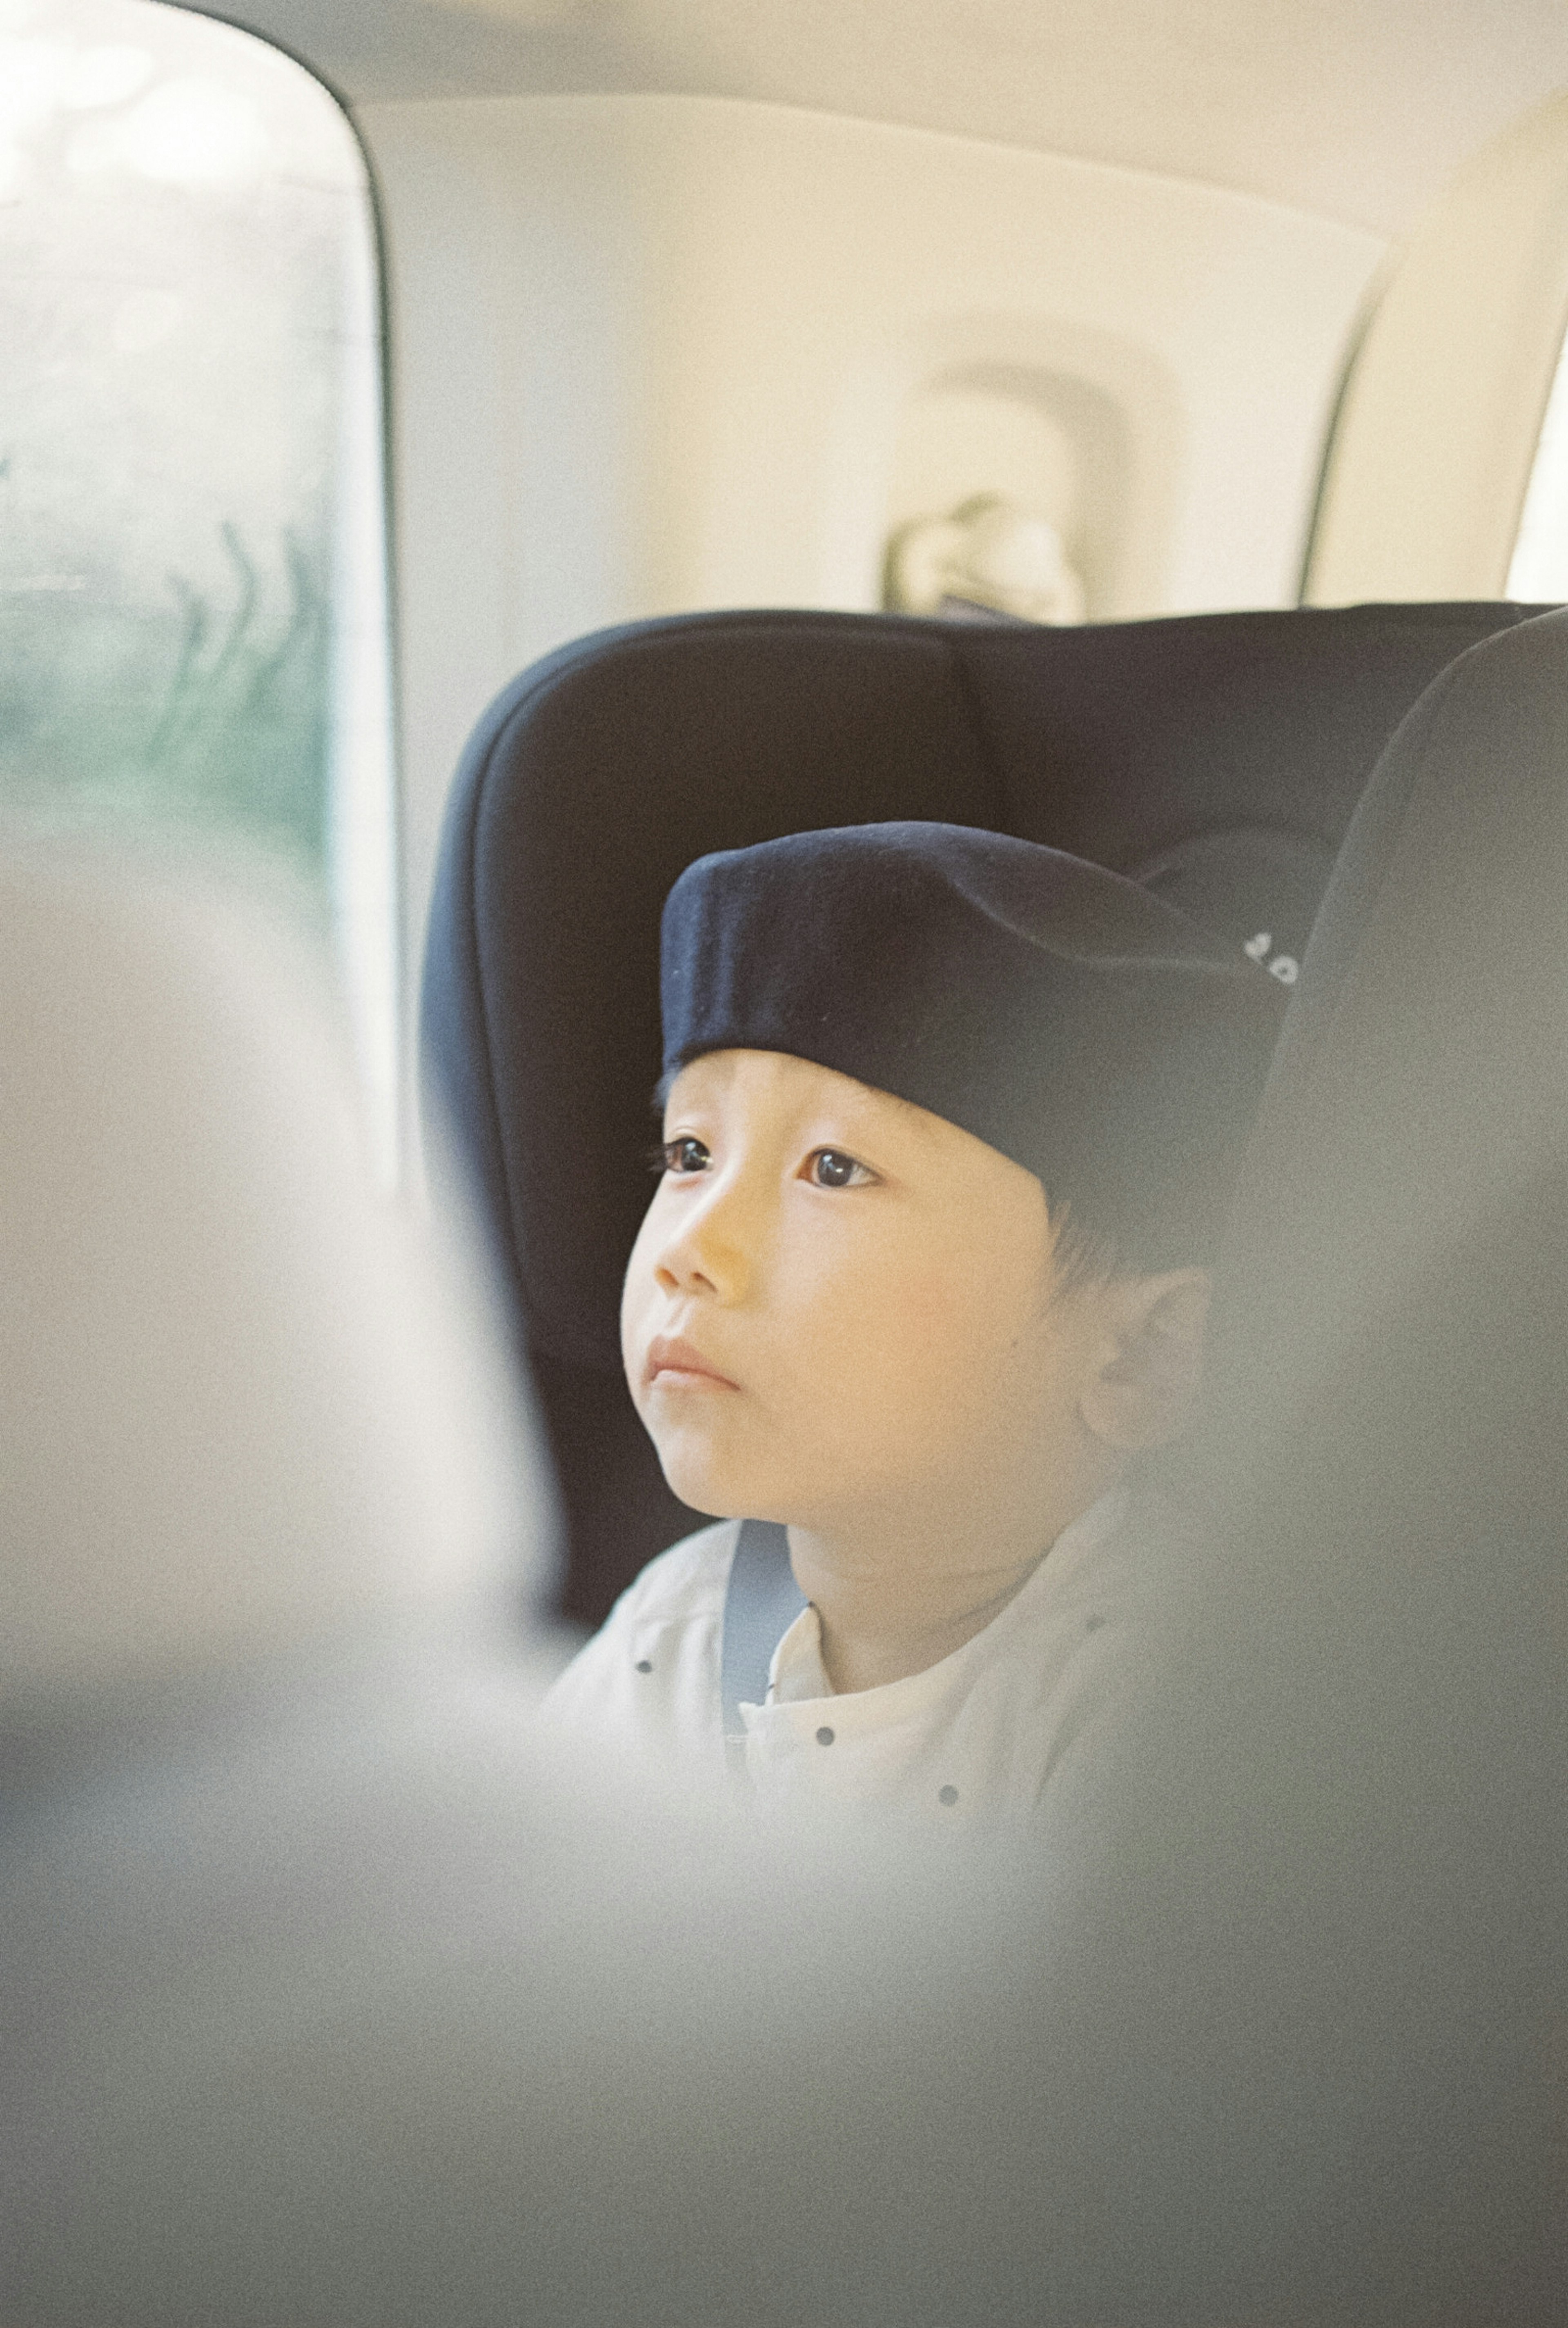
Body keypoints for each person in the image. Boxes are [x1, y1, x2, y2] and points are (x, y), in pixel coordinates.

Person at [543, 820, 1285, 1814]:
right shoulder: (672, 1638)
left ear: (1135, 1355)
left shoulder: (1180, 1714)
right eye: (689, 1156)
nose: (691, 1250)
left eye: (835, 1169)